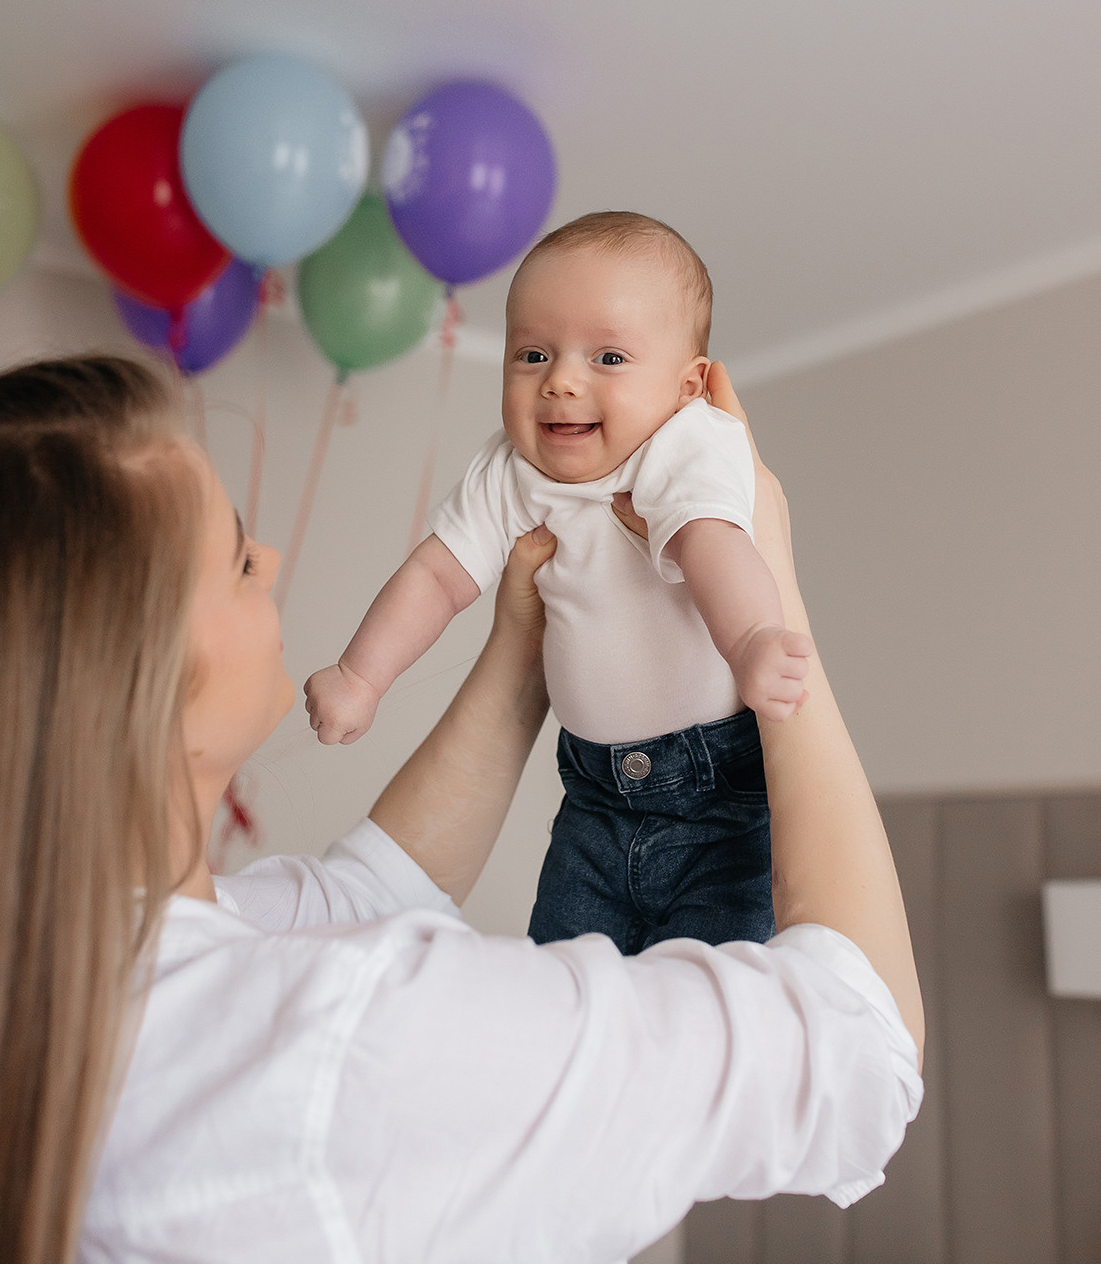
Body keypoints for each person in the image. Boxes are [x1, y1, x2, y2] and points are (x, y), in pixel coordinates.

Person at [0, 353, 923, 1264]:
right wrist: (771, 589)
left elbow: (373, 886)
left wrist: (535, 620)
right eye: (236, 562)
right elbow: (861, 1044)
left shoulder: (64, 986)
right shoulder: (367, 1053)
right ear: (134, 687)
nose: (268, 560)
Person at [305, 211, 813, 953]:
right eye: (533, 354)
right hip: (593, 800)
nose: (561, 382)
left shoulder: (686, 444)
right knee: (561, 969)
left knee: (702, 994)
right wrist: (361, 675)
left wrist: (755, 640)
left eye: (608, 358)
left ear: (688, 386)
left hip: (717, 800)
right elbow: (436, 575)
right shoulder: (511, 473)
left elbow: (716, 547)